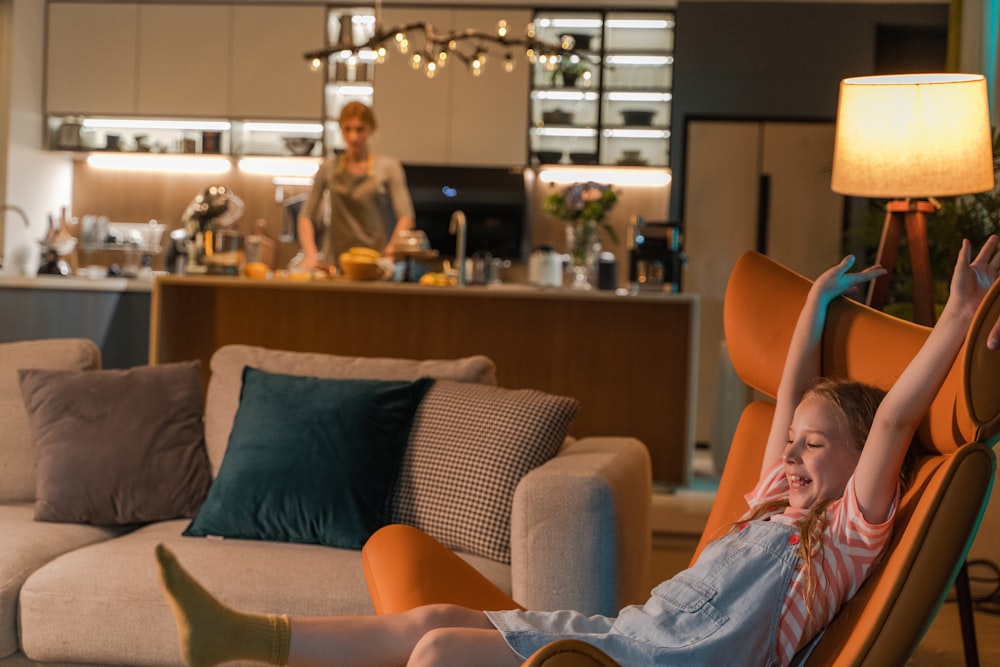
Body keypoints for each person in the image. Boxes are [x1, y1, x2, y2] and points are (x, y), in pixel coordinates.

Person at [155, 237, 999, 667]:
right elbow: (787, 398)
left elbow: (890, 424)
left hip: (655, 665)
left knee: (441, 656)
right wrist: (811, 305)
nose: (797, 455)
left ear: (860, 464)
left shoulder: (850, 531)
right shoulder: (775, 497)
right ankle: (241, 633)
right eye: (797, 444)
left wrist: (958, 317)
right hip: (620, 637)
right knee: (433, 621)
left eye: (819, 446)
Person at [297, 101, 415, 270]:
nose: (353, 137)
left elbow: (406, 216)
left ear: (371, 129)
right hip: (336, 263)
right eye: (348, 129)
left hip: (376, 263)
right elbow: (305, 215)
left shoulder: (389, 168)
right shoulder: (328, 168)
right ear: (341, 130)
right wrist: (310, 253)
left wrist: (390, 253)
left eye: (360, 129)